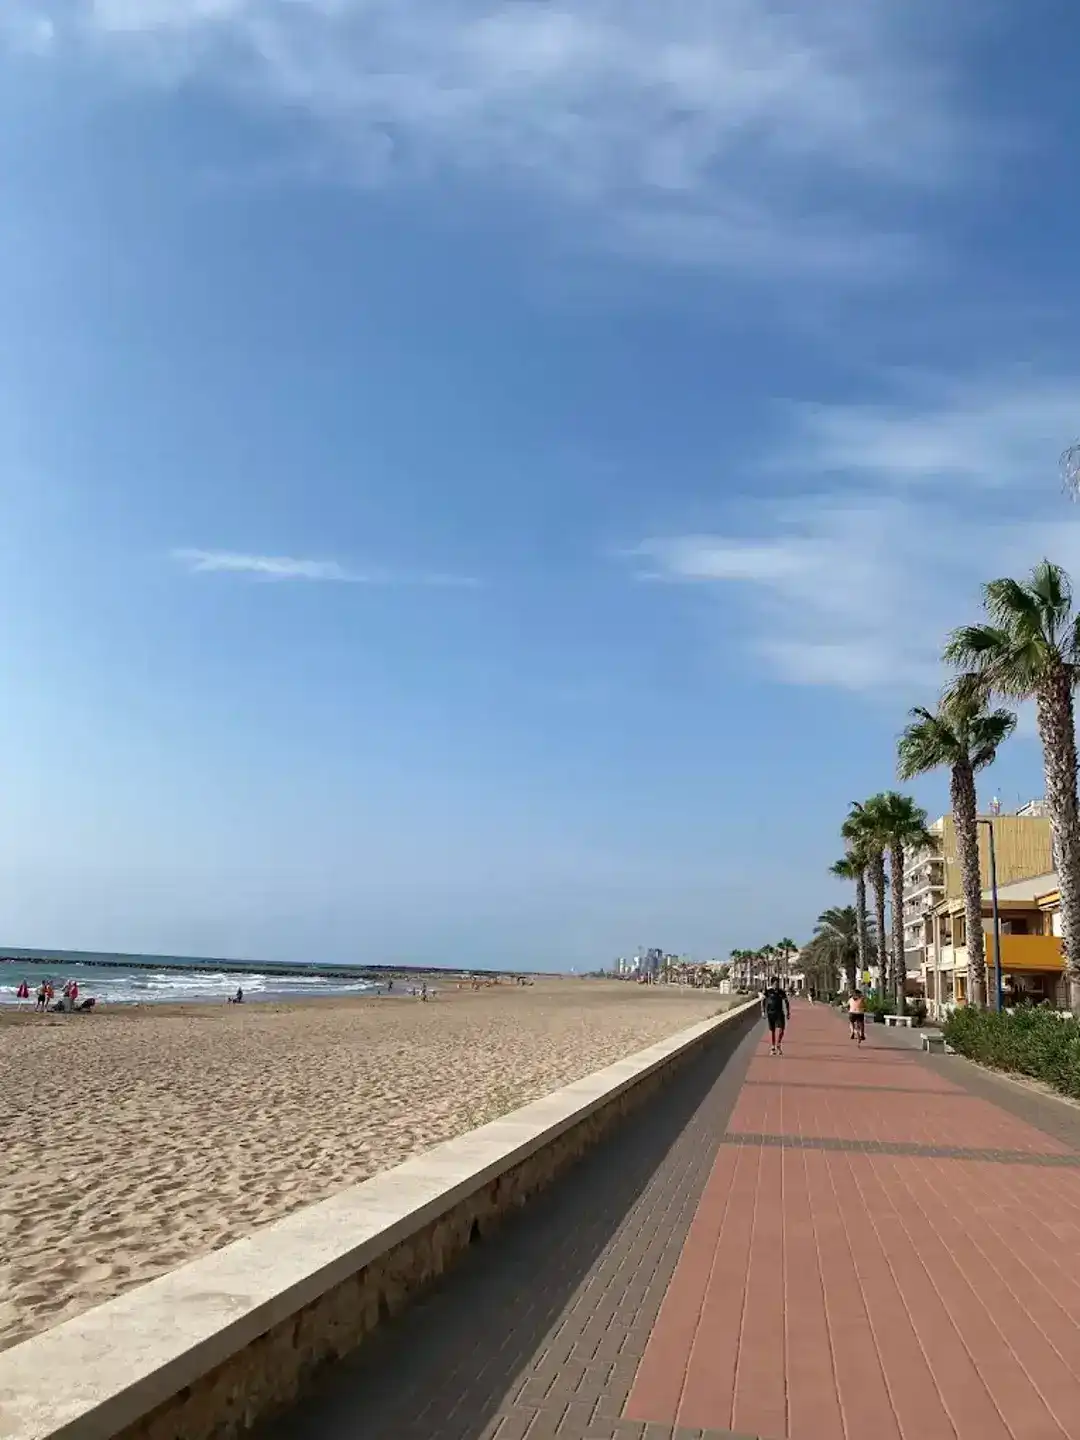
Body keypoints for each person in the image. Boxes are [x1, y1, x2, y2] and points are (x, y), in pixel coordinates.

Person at [761, 975, 790, 1055]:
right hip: (770, 1013)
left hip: (780, 1013)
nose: (776, 985)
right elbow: (763, 1001)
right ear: (772, 984)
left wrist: (788, 1012)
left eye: (778, 983)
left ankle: (778, 1043)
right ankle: (773, 1046)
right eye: (775, 983)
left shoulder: (781, 992)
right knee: (772, 1030)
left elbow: (786, 1002)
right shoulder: (768, 992)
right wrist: (763, 1011)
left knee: (782, 1029)